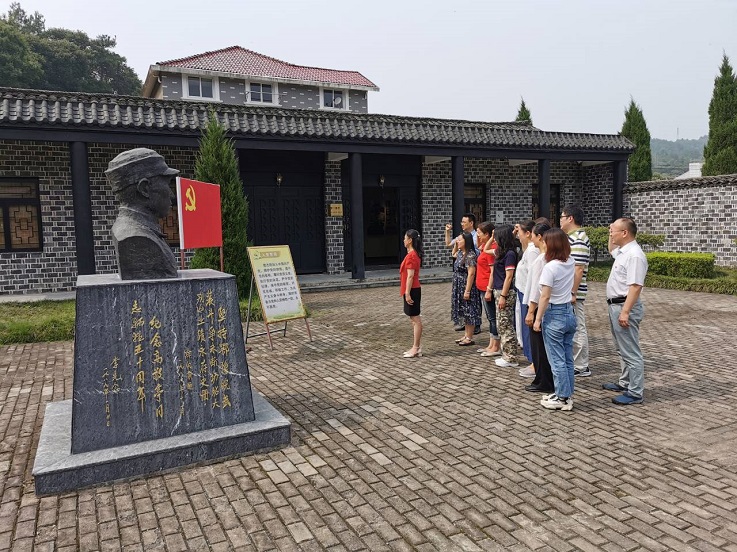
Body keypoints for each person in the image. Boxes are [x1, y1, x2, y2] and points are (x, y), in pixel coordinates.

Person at [105, 148, 179, 280]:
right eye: (167, 184)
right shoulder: (136, 238)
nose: (172, 194)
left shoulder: (145, 231)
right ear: (144, 189)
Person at [603, 217, 649, 405]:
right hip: (616, 306)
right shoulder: (623, 252)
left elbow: (636, 286)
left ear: (625, 233)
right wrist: (610, 233)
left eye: (613, 231)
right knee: (622, 348)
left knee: (630, 351)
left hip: (624, 306)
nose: (611, 233)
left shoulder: (635, 255)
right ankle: (625, 382)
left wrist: (626, 311)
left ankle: (635, 392)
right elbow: (611, 250)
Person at [534, 228, 577, 411]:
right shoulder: (570, 261)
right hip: (568, 312)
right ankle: (565, 393)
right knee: (567, 358)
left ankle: (562, 397)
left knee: (557, 359)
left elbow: (544, 296)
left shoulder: (550, 267)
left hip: (554, 314)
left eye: (545, 241)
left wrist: (538, 319)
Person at [559, 204, 591, 377]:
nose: (560, 220)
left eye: (562, 217)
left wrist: (573, 292)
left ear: (570, 218)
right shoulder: (570, 238)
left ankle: (581, 365)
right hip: (569, 292)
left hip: (573, 293)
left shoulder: (578, 239)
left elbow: (578, 269)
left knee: (578, 327)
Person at [524, 221, 554, 393]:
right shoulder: (547, 258)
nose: (532, 239)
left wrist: (531, 312)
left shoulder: (542, 260)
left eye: (534, 235)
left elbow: (537, 289)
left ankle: (543, 381)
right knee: (540, 346)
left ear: (540, 237)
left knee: (539, 347)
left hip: (537, 307)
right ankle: (542, 379)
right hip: (540, 306)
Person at [492, 225, 523, 367]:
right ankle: (506, 354)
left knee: (506, 325)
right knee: (501, 325)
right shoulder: (501, 252)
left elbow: (509, 276)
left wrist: (503, 296)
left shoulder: (510, 254)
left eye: (496, 237)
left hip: (505, 292)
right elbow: (486, 249)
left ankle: (511, 357)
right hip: (498, 290)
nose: (494, 239)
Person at [445, 214, 481, 334]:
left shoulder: (475, 237)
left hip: (471, 271)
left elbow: (471, 272)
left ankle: (475, 325)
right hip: (460, 278)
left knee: (472, 304)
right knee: (463, 306)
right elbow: (449, 245)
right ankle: (466, 325)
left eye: (464, 222)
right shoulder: (461, 238)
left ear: (471, 223)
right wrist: (448, 232)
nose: (462, 224)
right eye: (461, 222)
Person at [514, 220, 539, 377]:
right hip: (523, 291)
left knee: (529, 330)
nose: (518, 236)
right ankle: (532, 360)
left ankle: (534, 362)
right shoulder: (528, 249)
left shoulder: (532, 251)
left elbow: (533, 276)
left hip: (528, 294)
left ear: (528, 233)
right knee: (524, 329)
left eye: (520, 233)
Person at [475, 222, 501, 357]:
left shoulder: (492, 249)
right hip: (482, 286)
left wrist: (489, 289)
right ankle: (491, 344)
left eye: (479, 232)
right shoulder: (485, 247)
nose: (477, 235)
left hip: (487, 287)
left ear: (487, 234)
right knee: (490, 317)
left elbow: (492, 271)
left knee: (492, 317)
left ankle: (496, 346)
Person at [451, 232, 481, 346]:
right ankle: (466, 334)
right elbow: (453, 253)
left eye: (460, 240)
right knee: (464, 311)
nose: (458, 242)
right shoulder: (460, 253)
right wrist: (455, 243)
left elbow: (471, 274)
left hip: (467, 286)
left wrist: (467, 291)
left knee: (469, 311)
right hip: (459, 285)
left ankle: (469, 337)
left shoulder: (470, 255)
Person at [400, 229, 423, 358]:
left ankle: (416, 347)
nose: (403, 240)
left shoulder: (412, 255)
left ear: (409, 240)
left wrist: (407, 293)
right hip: (411, 289)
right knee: (413, 319)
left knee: (415, 319)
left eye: (405, 238)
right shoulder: (412, 254)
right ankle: (415, 346)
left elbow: (410, 276)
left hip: (412, 289)